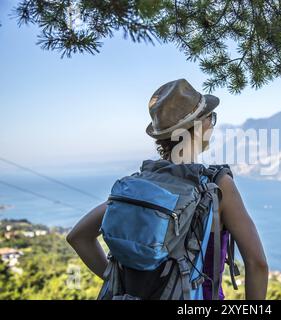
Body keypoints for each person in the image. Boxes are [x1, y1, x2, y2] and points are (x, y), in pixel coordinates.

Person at [66, 78, 268, 300]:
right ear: (200, 127)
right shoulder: (216, 186)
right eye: (211, 118)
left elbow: (79, 237)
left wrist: (112, 277)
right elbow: (256, 263)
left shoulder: (140, 185)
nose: (213, 124)